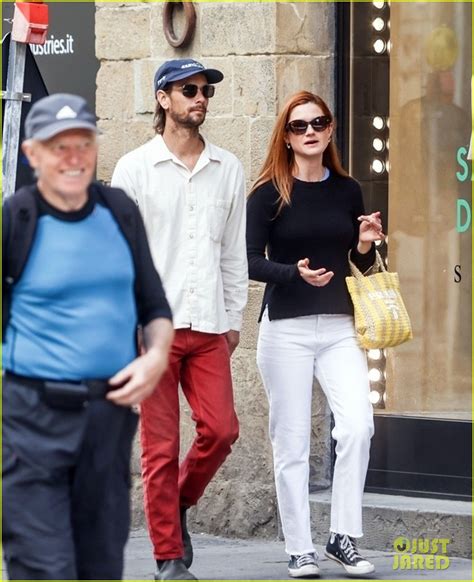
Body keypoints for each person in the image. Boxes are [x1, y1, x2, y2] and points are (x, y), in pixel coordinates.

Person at [2, 93, 174, 581]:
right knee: (46, 569)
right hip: (32, 423)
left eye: (84, 143)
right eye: (60, 147)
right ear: (32, 153)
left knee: (100, 567)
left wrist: (156, 355)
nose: (74, 158)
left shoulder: (120, 212)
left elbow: (155, 308)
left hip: (108, 418)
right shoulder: (16, 220)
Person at [112, 58, 248, 581]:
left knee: (222, 430)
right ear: (163, 98)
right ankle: (168, 560)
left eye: (206, 91)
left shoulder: (228, 168)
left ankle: (179, 504)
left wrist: (233, 320)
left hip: (211, 325)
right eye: (189, 89)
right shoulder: (134, 168)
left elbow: (233, 253)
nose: (201, 98)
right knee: (159, 447)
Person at [246, 91, 385, 578]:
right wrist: (292, 274)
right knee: (292, 443)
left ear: (329, 130)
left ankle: (341, 535)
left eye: (318, 123)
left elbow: (359, 262)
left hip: (339, 325)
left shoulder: (348, 190)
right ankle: (299, 547)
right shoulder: (268, 192)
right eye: (299, 125)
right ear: (285, 136)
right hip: (285, 328)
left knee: (358, 427)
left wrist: (365, 243)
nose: (310, 132)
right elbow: (247, 260)